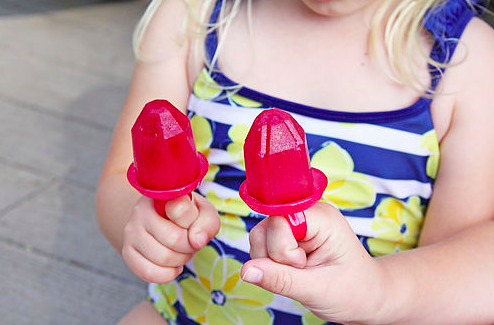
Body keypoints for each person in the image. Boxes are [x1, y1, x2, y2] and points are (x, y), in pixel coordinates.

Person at [95, 0, 494, 324]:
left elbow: (461, 265)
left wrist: (380, 289)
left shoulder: (467, 63)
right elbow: (120, 178)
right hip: (187, 309)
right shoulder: (194, 15)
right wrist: (149, 232)